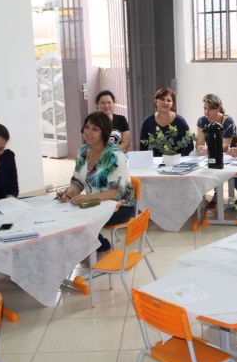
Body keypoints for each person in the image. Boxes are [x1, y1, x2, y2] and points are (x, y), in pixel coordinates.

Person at [57, 111, 135, 253]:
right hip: (94, 203)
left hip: (120, 206)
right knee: (66, 215)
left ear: (104, 132)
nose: (88, 132)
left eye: (95, 129)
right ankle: (89, 248)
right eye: (87, 127)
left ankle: (101, 247)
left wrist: (88, 198)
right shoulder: (83, 151)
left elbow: (116, 191)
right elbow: (78, 181)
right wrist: (68, 193)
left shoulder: (114, 155)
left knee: (80, 219)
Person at [195, 94, 237, 202]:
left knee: (220, 162)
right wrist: (200, 149)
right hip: (211, 153)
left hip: (231, 153)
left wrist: (208, 150)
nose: (206, 112)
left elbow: (225, 146)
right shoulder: (202, 121)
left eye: (210, 109)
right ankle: (199, 197)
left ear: (218, 108)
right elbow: (199, 143)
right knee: (195, 156)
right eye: (205, 108)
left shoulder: (228, 121)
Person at [139, 87, 193, 156]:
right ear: (155, 101)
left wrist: (178, 157)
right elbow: (143, 148)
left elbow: (190, 146)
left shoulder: (180, 121)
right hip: (157, 161)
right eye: (162, 99)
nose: (166, 102)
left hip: (178, 161)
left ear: (172, 103)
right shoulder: (147, 122)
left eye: (169, 100)